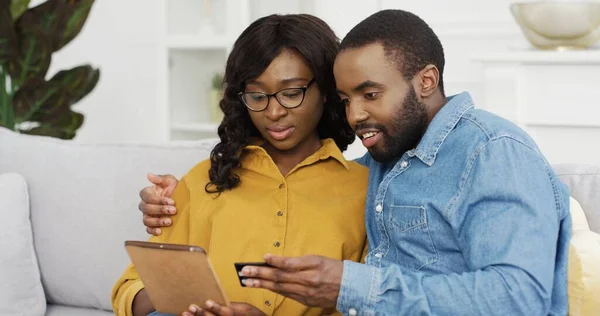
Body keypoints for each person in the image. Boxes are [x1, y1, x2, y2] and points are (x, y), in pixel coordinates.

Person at [142, 9, 572, 316]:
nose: (354, 115)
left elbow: (519, 299)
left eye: (370, 94)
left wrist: (350, 286)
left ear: (427, 80)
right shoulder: (378, 164)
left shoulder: (492, 150)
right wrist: (166, 202)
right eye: (347, 100)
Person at [112, 14, 369, 316]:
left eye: (290, 93)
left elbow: (371, 305)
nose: (273, 112)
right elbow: (128, 290)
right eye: (257, 96)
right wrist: (184, 300)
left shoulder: (365, 190)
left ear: (326, 91)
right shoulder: (204, 181)